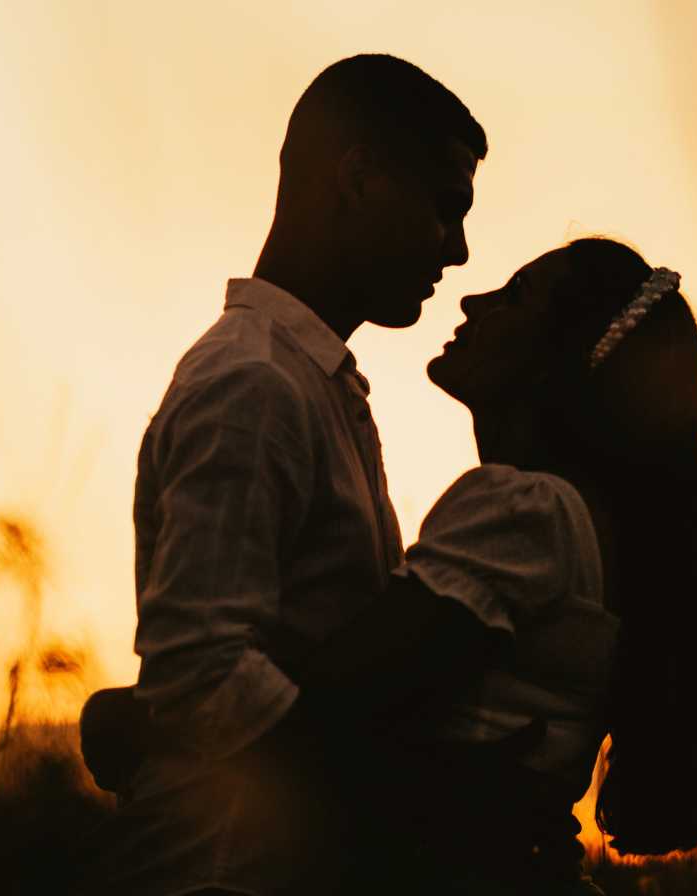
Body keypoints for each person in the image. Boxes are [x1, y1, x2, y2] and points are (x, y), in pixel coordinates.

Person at [82, 54, 485, 896]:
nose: (458, 249)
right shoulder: (254, 384)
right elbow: (202, 672)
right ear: (361, 178)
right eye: (446, 209)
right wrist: (396, 794)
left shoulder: (311, 383)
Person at [294, 236, 697, 892]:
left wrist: (160, 717)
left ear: (556, 360)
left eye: (515, 295)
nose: (472, 299)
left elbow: (337, 704)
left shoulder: (524, 514)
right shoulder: (582, 528)